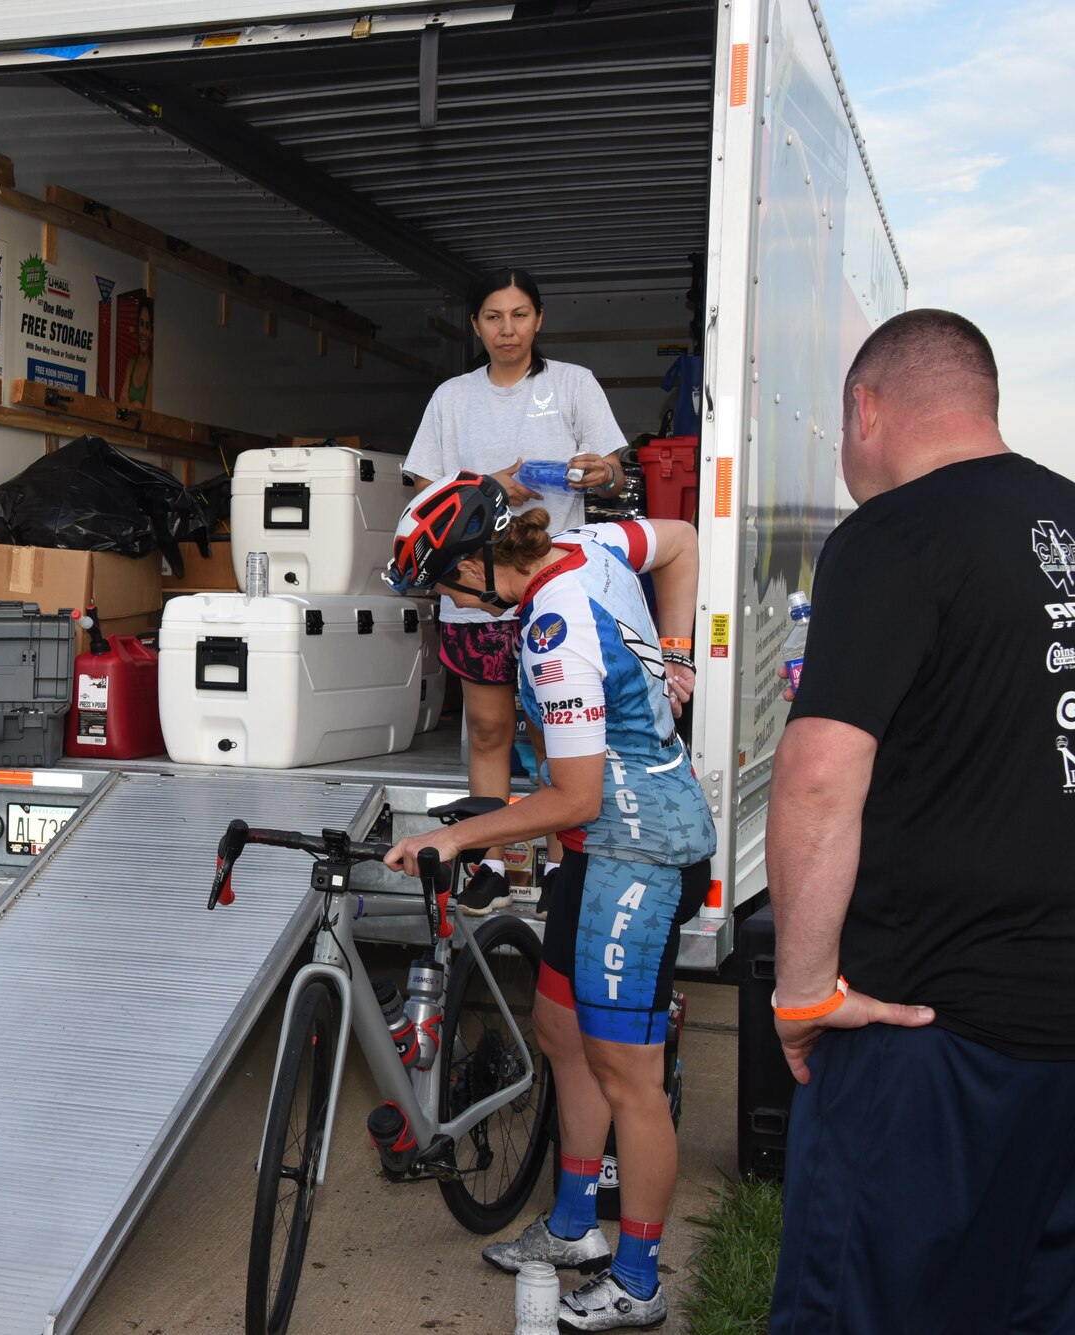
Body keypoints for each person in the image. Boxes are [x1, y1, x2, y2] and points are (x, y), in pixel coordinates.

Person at [765, 310, 1075, 1332]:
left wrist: (803, 990)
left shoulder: (893, 534)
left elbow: (817, 774)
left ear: (864, 407)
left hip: (929, 1034)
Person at [381, 472, 712, 1331]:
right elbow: (678, 540)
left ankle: (639, 1280)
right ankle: (574, 1229)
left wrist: (456, 839)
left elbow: (573, 796)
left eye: (448, 583)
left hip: (639, 849)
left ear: (484, 562)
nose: (450, 602)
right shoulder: (592, 544)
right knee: (562, 1031)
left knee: (628, 1072)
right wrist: (675, 653)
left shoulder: (556, 629)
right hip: (596, 850)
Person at [403, 268, 633, 914]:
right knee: (487, 727)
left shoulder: (572, 385)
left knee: (552, 730)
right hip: (474, 588)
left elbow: (615, 472)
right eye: (494, 317)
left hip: (550, 592)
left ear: (540, 320)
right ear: (476, 325)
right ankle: (493, 866)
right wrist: (492, 487)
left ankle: (563, 863)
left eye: (520, 314)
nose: (508, 329)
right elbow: (422, 491)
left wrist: (600, 470)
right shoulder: (452, 396)